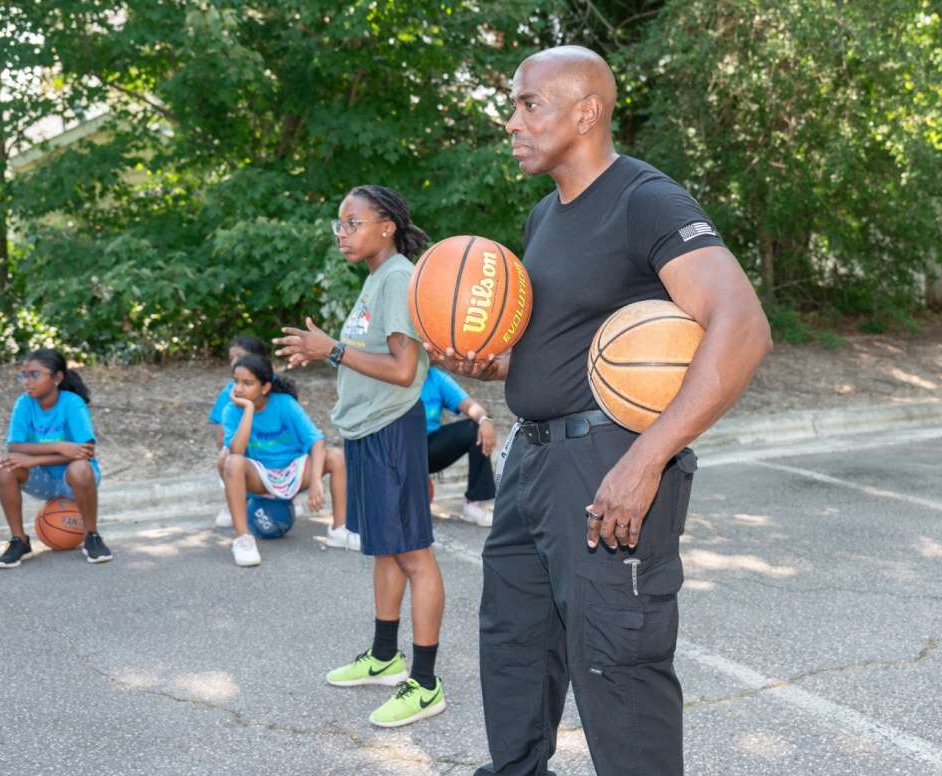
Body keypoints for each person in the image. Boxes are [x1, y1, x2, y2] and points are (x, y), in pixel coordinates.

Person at [432, 46, 771, 775]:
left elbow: (741, 327)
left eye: (530, 104)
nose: (513, 121)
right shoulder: (542, 218)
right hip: (531, 459)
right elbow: (561, 346)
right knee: (514, 644)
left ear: (586, 112)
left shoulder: (644, 200)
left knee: (618, 664)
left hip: (607, 460)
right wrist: (486, 362)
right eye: (514, 105)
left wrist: (646, 460)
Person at [275, 184, 447, 728]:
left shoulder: (397, 277)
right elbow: (371, 358)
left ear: (387, 226)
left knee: (414, 554)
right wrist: (327, 354)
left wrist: (335, 350)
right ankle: (383, 655)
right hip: (370, 431)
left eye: (353, 223)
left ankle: (424, 683)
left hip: (393, 430)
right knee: (386, 550)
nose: (342, 234)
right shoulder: (378, 279)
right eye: (339, 225)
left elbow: (402, 370)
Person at [219, 353, 351, 565]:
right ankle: (243, 540)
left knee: (337, 457)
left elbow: (316, 440)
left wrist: (316, 480)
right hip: (260, 476)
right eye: (236, 381)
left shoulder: (285, 404)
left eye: (247, 383)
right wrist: (249, 410)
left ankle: (339, 529)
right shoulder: (231, 411)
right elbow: (237, 450)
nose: (239, 388)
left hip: (293, 471)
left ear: (265, 387)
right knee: (231, 460)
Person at [0, 348, 112, 567]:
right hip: (45, 482)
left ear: (57, 378)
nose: (28, 381)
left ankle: (92, 536)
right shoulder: (24, 403)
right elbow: (14, 446)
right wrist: (60, 446)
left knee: (80, 467)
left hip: (74, 481)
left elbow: (86, 451)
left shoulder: (71, 403)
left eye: (35, 374)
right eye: (24, 375)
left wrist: (35, 459)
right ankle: (19, 540)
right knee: (5, 467)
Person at [420, 366, 497, 525]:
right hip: (397, 451)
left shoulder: (436, 378)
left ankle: (475, 504)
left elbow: (472, 407)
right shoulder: (391, 375)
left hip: (429, 448)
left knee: (476, 428)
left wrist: (484, 420)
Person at [210, 335, 268, 529]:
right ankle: (234, 502)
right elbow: (221, 434)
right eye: (231, 358)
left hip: (274, 447)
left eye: (240, 356)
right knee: (225, 456)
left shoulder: (275, 388)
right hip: (243, 450)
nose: (235, 362)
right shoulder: (229, 393)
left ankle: (289, 497)